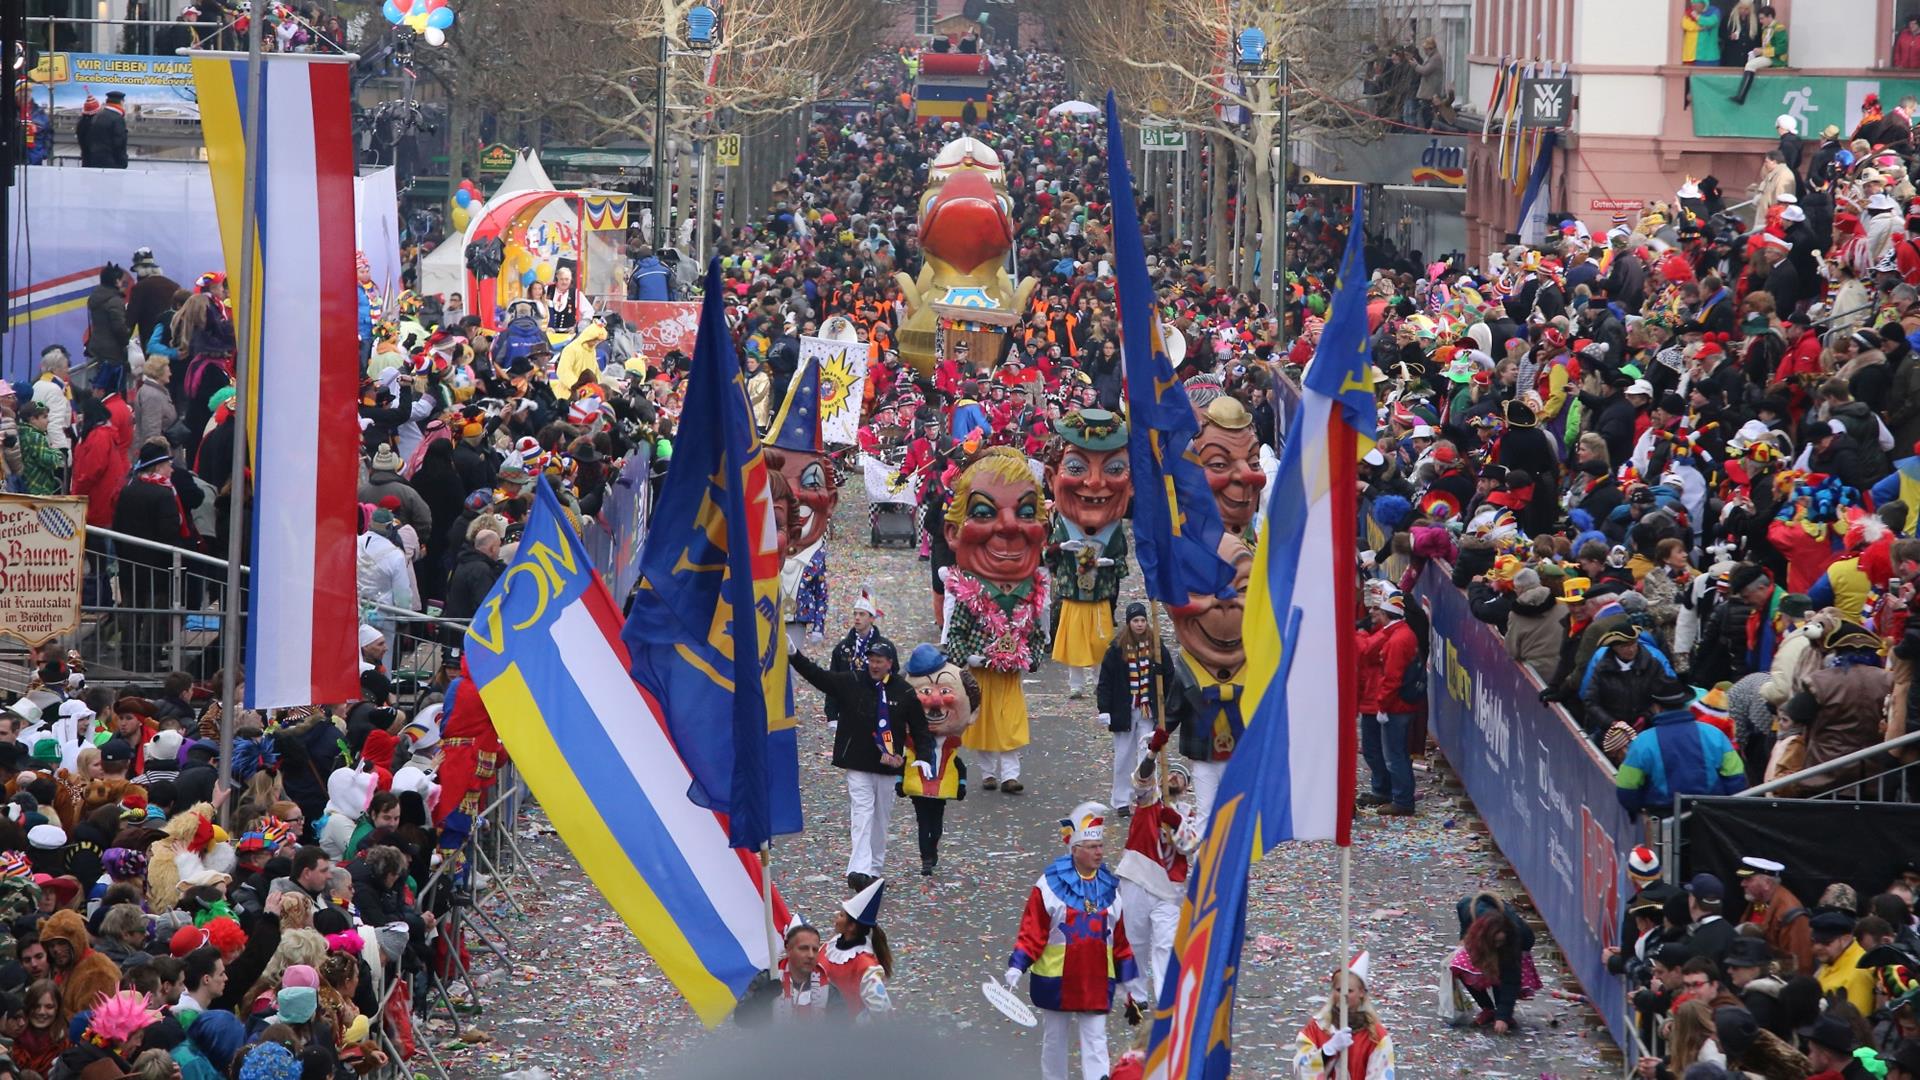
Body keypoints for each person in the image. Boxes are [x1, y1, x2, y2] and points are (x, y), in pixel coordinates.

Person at [1006, 802, 1146, 1080]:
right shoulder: (1048, 885)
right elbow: (1032, 931)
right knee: (1055, 1042)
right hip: (1056, 980)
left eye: (1101, 846)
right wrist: (1017, 966)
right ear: (1075, 850)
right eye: (1092, 847)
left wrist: (1131, 988)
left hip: (1096, 979)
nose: (1099, 852)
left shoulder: (1110, 889)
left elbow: (1119, 940)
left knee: (1096, 1041)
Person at [788, 637, 932, 892]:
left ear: (890, 663)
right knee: (862, 814)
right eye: (871, 660)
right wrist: (793, 655)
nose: (874, 665)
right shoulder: (852, 681)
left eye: (879, 661)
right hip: (857, 762)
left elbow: (920, 728)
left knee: (880, 818)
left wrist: (924, 757)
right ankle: (859, 871)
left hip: (888, 766)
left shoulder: (904, 691)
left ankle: (874, 869)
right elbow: (820, 677)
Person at [1115, 756, 1194, 1002]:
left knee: (1166, 946)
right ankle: (1137, 997)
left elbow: (1189, 846)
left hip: (1169, 889)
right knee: (1135, 941)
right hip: (1137, 877)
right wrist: (1151, 754)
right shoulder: (1149, 799)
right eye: (1171, 773)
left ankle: (1165, 1001)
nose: (1174, 777)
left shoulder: (1190, 814)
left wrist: (1178, 822)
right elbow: (1141, 780)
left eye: (1180, 775)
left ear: (1186, 787)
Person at [1615, 680, 1748, 818]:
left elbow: (1627, 789)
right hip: (1712, 819)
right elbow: (1736, 778)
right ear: (1686, 704)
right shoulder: (1714, 734)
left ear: (1656, 707)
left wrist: (1639, 809)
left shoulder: (1643, 742)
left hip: (1663, 820)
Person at [1095, 602, 1173, 810]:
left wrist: (1160, 672)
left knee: (1147, 754)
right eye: (1135, 621)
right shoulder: (1117, 648)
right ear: (1129, 623)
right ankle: (1121, 800)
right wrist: (1104, 708)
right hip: (1124, 711)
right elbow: (1106, 681)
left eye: (1142, 620)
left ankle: (1147, 797)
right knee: (1123, 757)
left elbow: (1170, 676)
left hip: (1148, 711)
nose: (1139, 625)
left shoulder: (1156, 646)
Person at [1356, 589, 1420, 816]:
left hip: (1394, 707)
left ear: (1386, 614)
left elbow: (1391, 677)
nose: (1373, 615)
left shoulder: (1395, 639)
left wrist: (1382, 706)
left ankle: (1402, 800)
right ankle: (1397, 796)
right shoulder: (1400, 634)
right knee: (1394, 754)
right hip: (1395, 705)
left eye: (1377, 611)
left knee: (1395, 755)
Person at [1450, 891, 1539, 1033]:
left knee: (1502, 972)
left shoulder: (1513, 937)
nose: (1498, 945)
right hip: (1483, 939)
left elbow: (1511, 980)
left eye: (1500, 942)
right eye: (1496, 942)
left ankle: (1501, 1011)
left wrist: (1503, 1016)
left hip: (1518, 944)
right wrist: (1463, 936)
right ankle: (1488, 1008)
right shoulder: (1469, 910)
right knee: (1461, 966)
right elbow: (1462, 907)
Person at [816, 877, 893, 1019]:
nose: (836, 917)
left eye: (841, 915)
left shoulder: (865, 965)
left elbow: (881, 1008)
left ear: (851, 926)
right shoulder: (828, 948)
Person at [1737, 856, 1813, 975]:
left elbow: (1801, 964)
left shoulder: (1791, 914)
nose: (1742, 884)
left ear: (1767, 883)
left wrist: (1764, 970)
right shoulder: (1757, 902)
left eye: (1748, 879)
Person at [1811, 911, 1877, 1014]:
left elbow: (1856, 1021)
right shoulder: (1832, 958)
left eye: (1826, 942)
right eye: (1814, 941)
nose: (1817, 947)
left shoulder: (1858, 971)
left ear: (1845, 939)